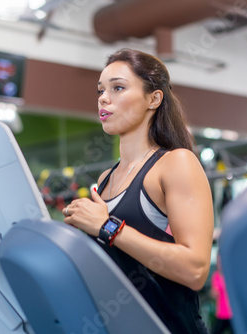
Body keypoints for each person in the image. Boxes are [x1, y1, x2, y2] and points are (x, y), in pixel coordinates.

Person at [63, 48, 213, 334]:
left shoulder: (176, 163)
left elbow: (195, 270)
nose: (104, 98)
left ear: (153, 99)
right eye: (101, 90)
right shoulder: (106, 179)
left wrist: (107, 227)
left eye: (118, 88)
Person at [210, 254, 233, 334]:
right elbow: (213, 293)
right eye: (218, 261)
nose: (219, 263)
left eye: (220, 261)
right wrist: (214, 293)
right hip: (221, 314)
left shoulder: (229, 275)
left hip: (231, 313)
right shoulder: (215, 276)